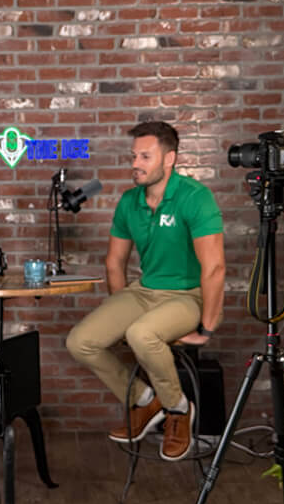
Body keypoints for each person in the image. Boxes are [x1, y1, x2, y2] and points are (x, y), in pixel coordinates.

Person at [65, 120, 226, 461]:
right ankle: (143, 399)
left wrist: (207, 326)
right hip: (144, 291)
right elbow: (114, 262)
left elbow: (214, 268)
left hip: (188, 295)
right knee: (80, 342)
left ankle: (178, 409)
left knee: (141, 334)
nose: (135, 164)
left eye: (145, 156)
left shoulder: (195, 197)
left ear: (169, 159)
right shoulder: (129, 202)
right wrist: (118, 311)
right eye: (134, 156)